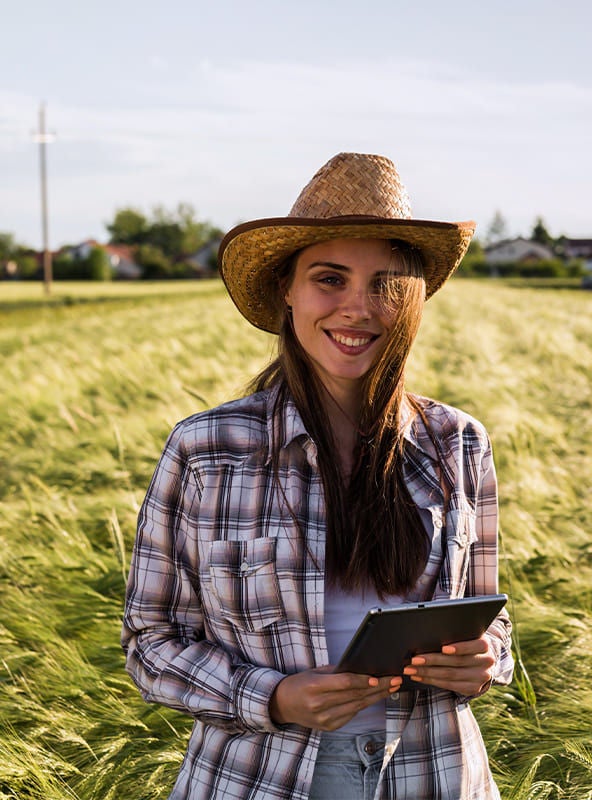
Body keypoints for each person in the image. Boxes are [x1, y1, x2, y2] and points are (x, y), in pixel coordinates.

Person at [121, 152, 514, 800]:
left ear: (412, 297)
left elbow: (489, 620)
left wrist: (484, 663)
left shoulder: (458, 443)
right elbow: (151, 644)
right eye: (330, 279)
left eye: (386, 283)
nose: (358, 308)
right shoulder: (206, 451)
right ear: (287, 288)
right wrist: (273, 697)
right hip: (261, 781)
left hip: (435, 776)